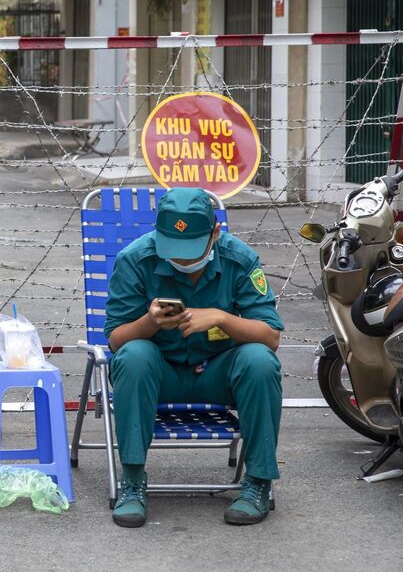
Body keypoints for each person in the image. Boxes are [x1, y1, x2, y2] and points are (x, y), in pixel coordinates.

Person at [104, 187, 282, 528]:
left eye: (191, 250)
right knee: (134, 355)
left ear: (215, 233)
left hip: (220, 374)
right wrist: (149, 322)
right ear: (158, 235)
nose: (183, 261)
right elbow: (116, 340)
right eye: (174, 249)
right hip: (161, 375)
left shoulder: (240, 260)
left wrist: (221, 318)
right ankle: (132, 481)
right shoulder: (135, 259)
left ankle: (257, 483)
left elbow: (270, 337)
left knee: (259, 361)